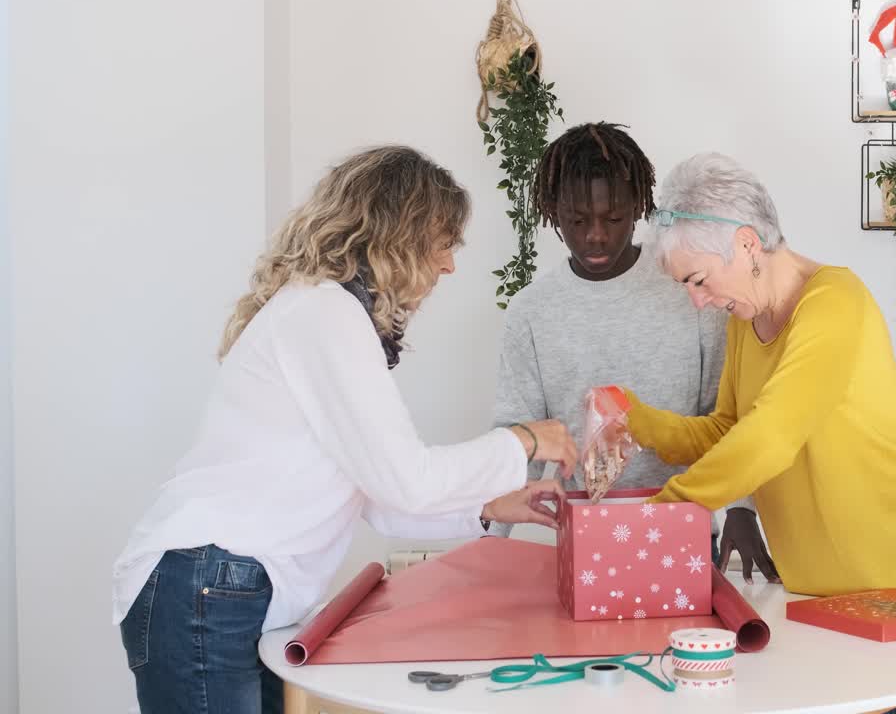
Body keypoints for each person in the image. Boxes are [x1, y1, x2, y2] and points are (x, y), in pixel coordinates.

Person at [111, 146, 576, 714]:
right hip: (208, 584)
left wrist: (493, 507)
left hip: (220, 586)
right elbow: (407, 480)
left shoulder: (326, 314)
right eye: (444, 240)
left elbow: (379, 495)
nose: (450, 264)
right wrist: (526, 439)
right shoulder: (325, 314)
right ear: (399, 232)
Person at [616, 152, 896, 714]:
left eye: (697, 281)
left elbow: (771, 437)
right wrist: (633, 418)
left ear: (747, 245)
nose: (697, 301)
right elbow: (728, 431)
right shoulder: (746, 322)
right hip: (835, 594)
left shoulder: (834, 303)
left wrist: (661, 516)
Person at [491, 122, 776, 579]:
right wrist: (490, 543)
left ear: (641, 207)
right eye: (578, 221)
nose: (596, 236)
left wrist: (741, 508)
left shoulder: (692, 287)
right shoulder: (531, 311)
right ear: (552, 213)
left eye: (614, 218)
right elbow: (517, 433)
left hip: (685, 529)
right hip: (582, 537)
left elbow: (725, 414)